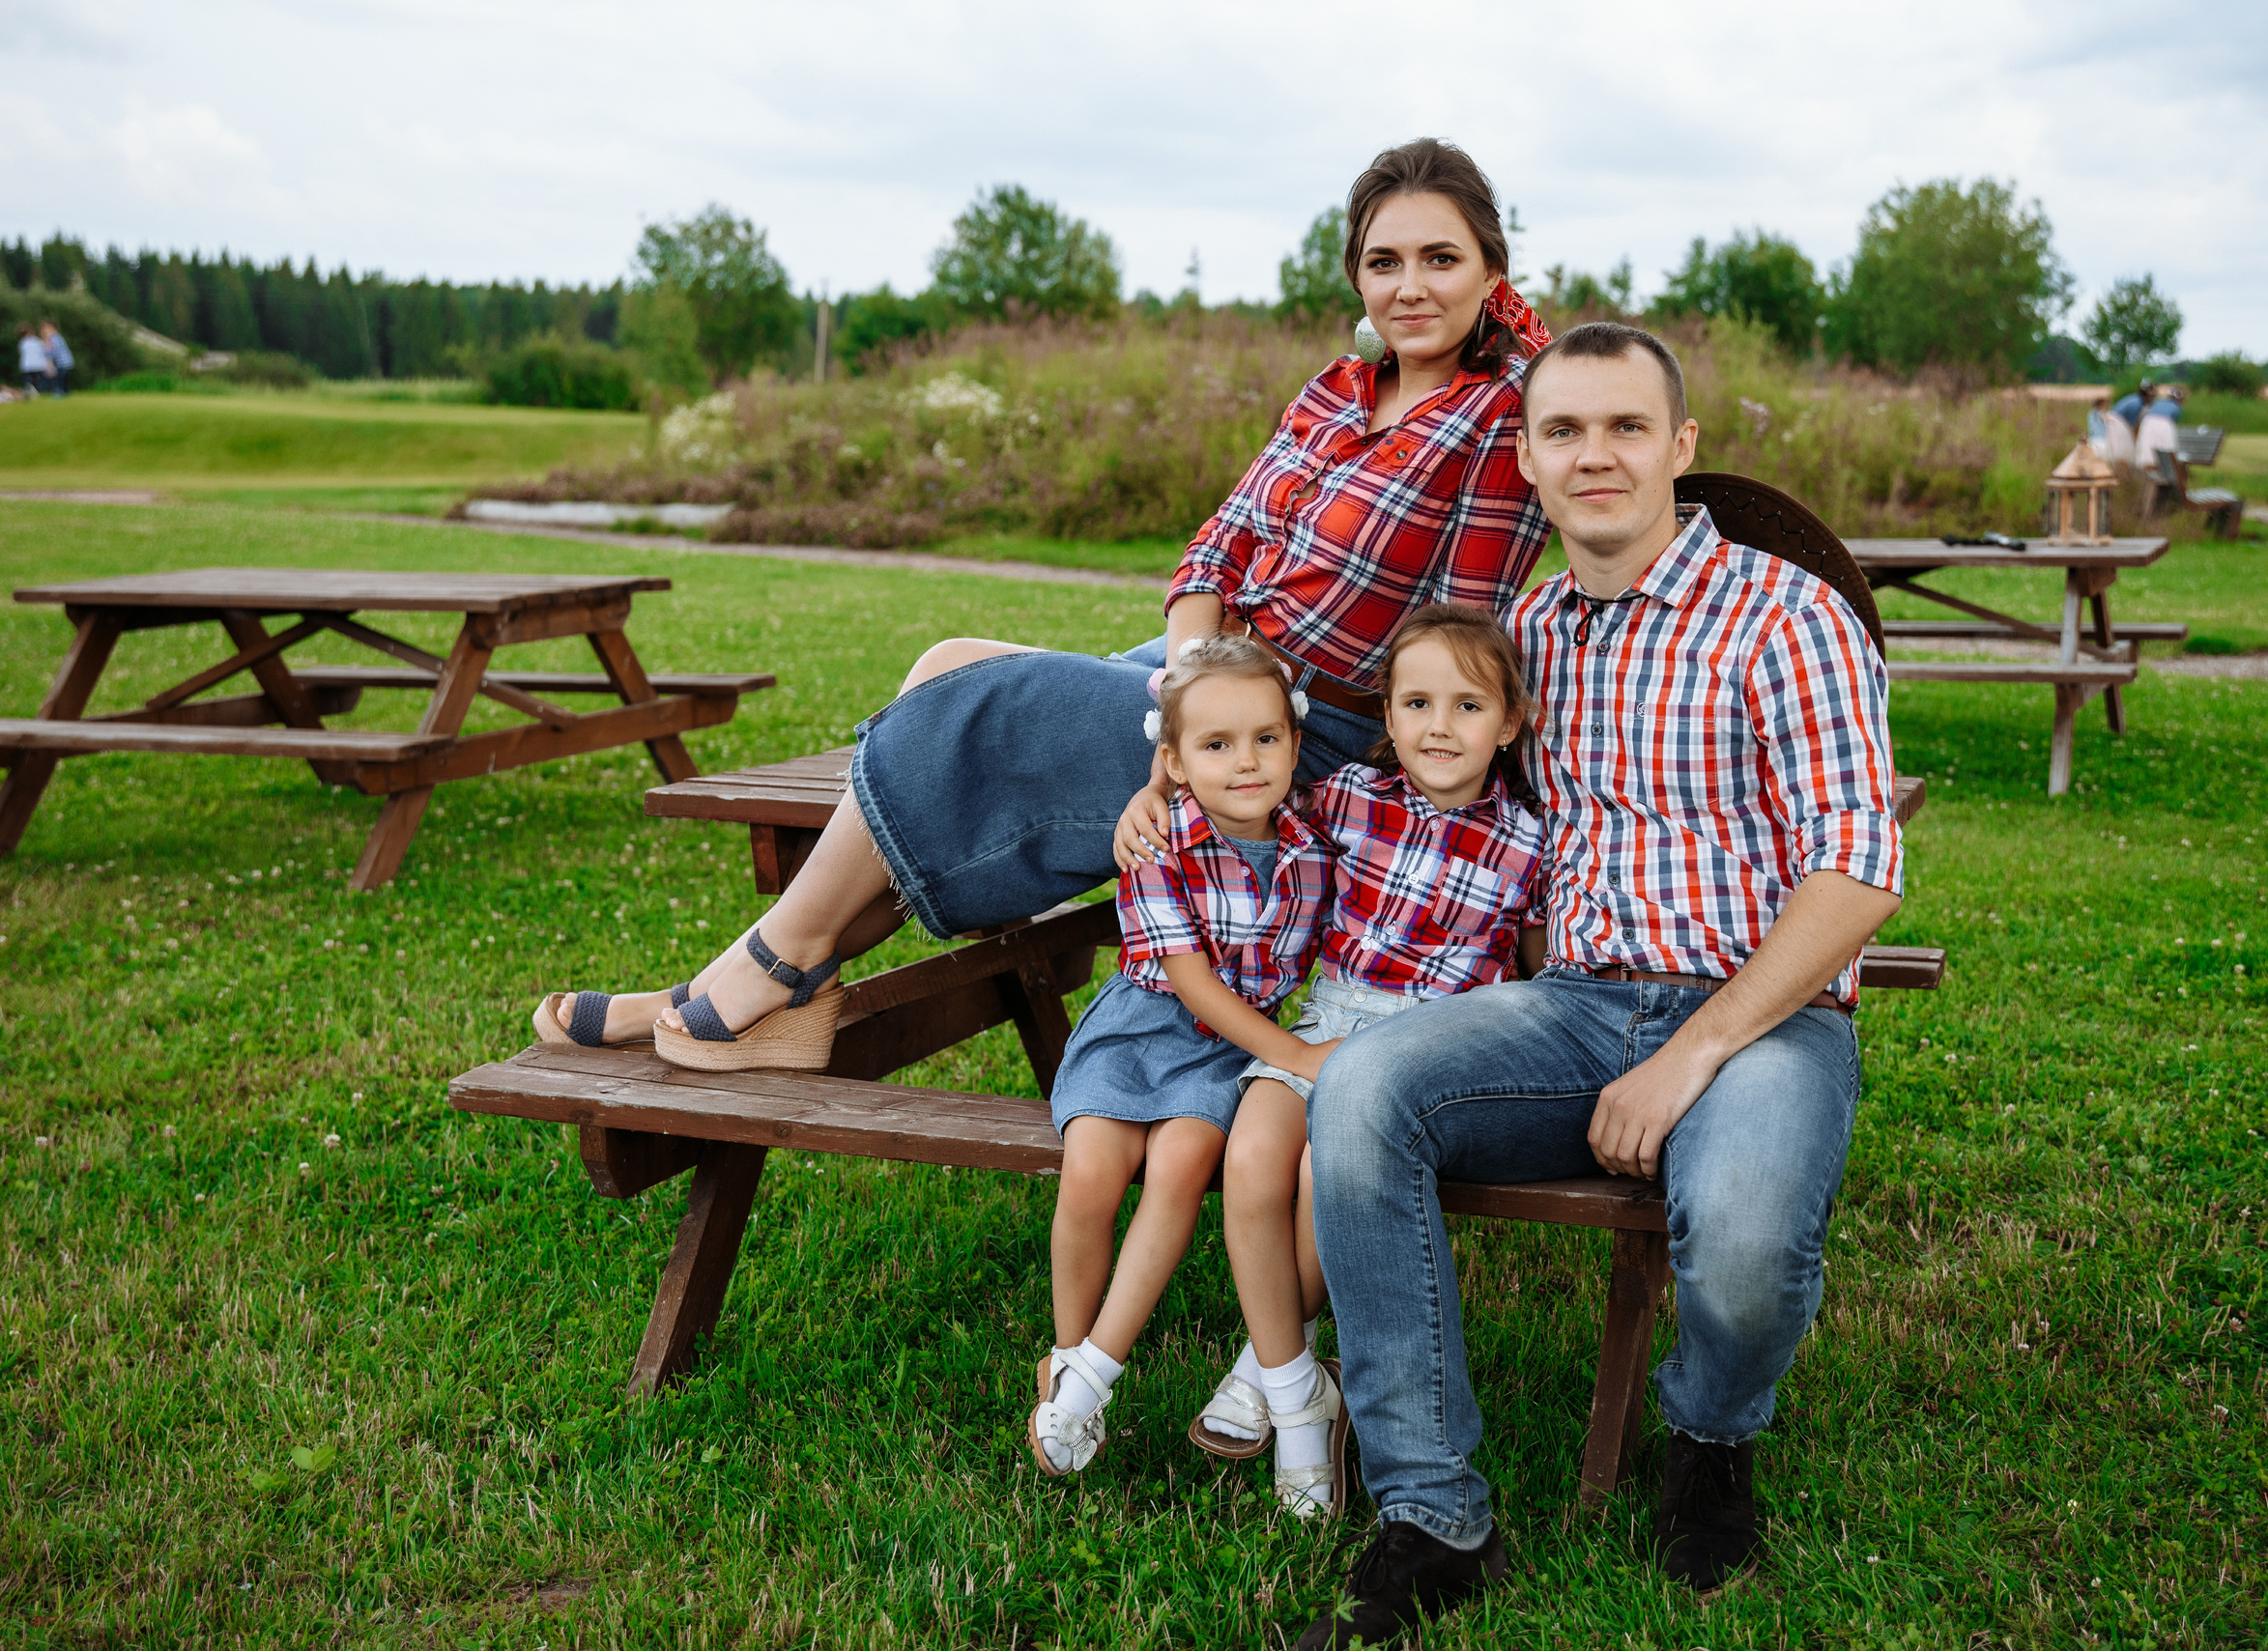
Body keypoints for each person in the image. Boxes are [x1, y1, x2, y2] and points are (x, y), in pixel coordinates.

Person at [533, 136, 1554, 1068]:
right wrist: (1189, 674)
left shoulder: (1506, 413)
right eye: (1385, 262)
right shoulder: (1335, 390)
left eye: (1441, 259)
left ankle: (765, 970)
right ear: (1355, 277)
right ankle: (778, 979)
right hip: (1213, 676)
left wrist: (1220, 707)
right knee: (949, 663)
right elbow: (1218, 544)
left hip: (1311, 734)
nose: (1410, 286)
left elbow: (1448, 638)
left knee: (983, 707)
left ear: (1490, 275)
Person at [1288, 322, 1906, 1648]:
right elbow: (1412, 771)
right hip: (1572, 1008)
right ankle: (1436, 1513)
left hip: (1764, 1022)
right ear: (1529, 457)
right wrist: (1182, 790)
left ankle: (1708, 1436)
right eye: (1564, 430)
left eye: (1627, 426)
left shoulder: (1787, 619)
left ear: (1680, 448)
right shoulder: (1527, 639)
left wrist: (1692, 1054)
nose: (1596, 454)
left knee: (1740, 1244)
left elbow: (1856, 875)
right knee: (1364, 1091)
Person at [1183, 603, 1547, 1519]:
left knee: (1322, 1179)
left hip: (1438, 1044)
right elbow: (1237, 805)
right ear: (1386, 715)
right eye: (1417, 702)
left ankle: (1276, 1379)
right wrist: (1156, 796)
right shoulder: (1346, 798)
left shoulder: (1531, 840)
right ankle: (1296, 1376)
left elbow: (1541, 973)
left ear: (1510, 723)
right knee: (1255, 1160)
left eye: (1468, 707)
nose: (1438, 726)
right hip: (1330, 1018)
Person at [1026, 634, 1334, 1477]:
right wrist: (1298, 1058)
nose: (1246, 762)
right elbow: (1191, 985)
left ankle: (1099, 1374)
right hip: (1142, 1027)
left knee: (1183, 1160)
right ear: (1173, 760)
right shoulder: (1158, 843)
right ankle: (1066, 1355)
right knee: (1092, 1170)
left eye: (1266, 739)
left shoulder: (1312, 848)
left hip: (1218, 1056)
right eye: (1216, 744)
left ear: (1295, 744)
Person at [40, 322, 72, 396]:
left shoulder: (54, 338)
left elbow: (54, 351)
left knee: (60, 379)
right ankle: (67, 393)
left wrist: (46, 352)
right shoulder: (58, 337)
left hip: (63, 363)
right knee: (65, 380)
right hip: (67, 362)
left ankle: (59, 393)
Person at [16, 326, 50, 398]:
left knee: (28, 382)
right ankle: (36, 392)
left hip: (27, 365)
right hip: (37, 365)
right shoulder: (37, 341)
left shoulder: (23, 342)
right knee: (37, 381)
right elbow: (45, 349)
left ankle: (30, 393)